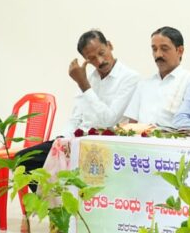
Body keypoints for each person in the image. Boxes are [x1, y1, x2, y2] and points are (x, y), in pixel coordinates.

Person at [19, 30, 140, 172]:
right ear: (86, 60)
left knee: (36, 166)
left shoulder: (130, 78)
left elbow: (109, 121)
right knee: (21, 160)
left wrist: (84, 85)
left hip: (104, 145)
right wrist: (63, 141)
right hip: (77, 142)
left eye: (101, 53)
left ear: (109, 45)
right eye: (92, 58)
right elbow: (75, 118)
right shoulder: (89, 78)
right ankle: (46, 187)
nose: (100, 61)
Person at [122, 27, 190, 129]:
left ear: (180, 51)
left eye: (164, 49)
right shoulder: (144, 85)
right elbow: (132, 125)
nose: (158, 54)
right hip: (141, 138)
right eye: (154, 49)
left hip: (174, 139)